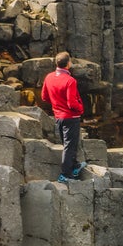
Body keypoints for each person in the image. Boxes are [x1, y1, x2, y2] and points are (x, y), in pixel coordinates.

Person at [41, 51, 85, 183]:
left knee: (67, 144)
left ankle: (75, 166)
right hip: (71, 117)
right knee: (70, 146)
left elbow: (44, 97)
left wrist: (56, 104)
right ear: (67, 64)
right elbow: (71, 103)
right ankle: (66, 175)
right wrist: (81, 108)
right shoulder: (70, 80)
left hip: (58, 116)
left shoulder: (49, 77)